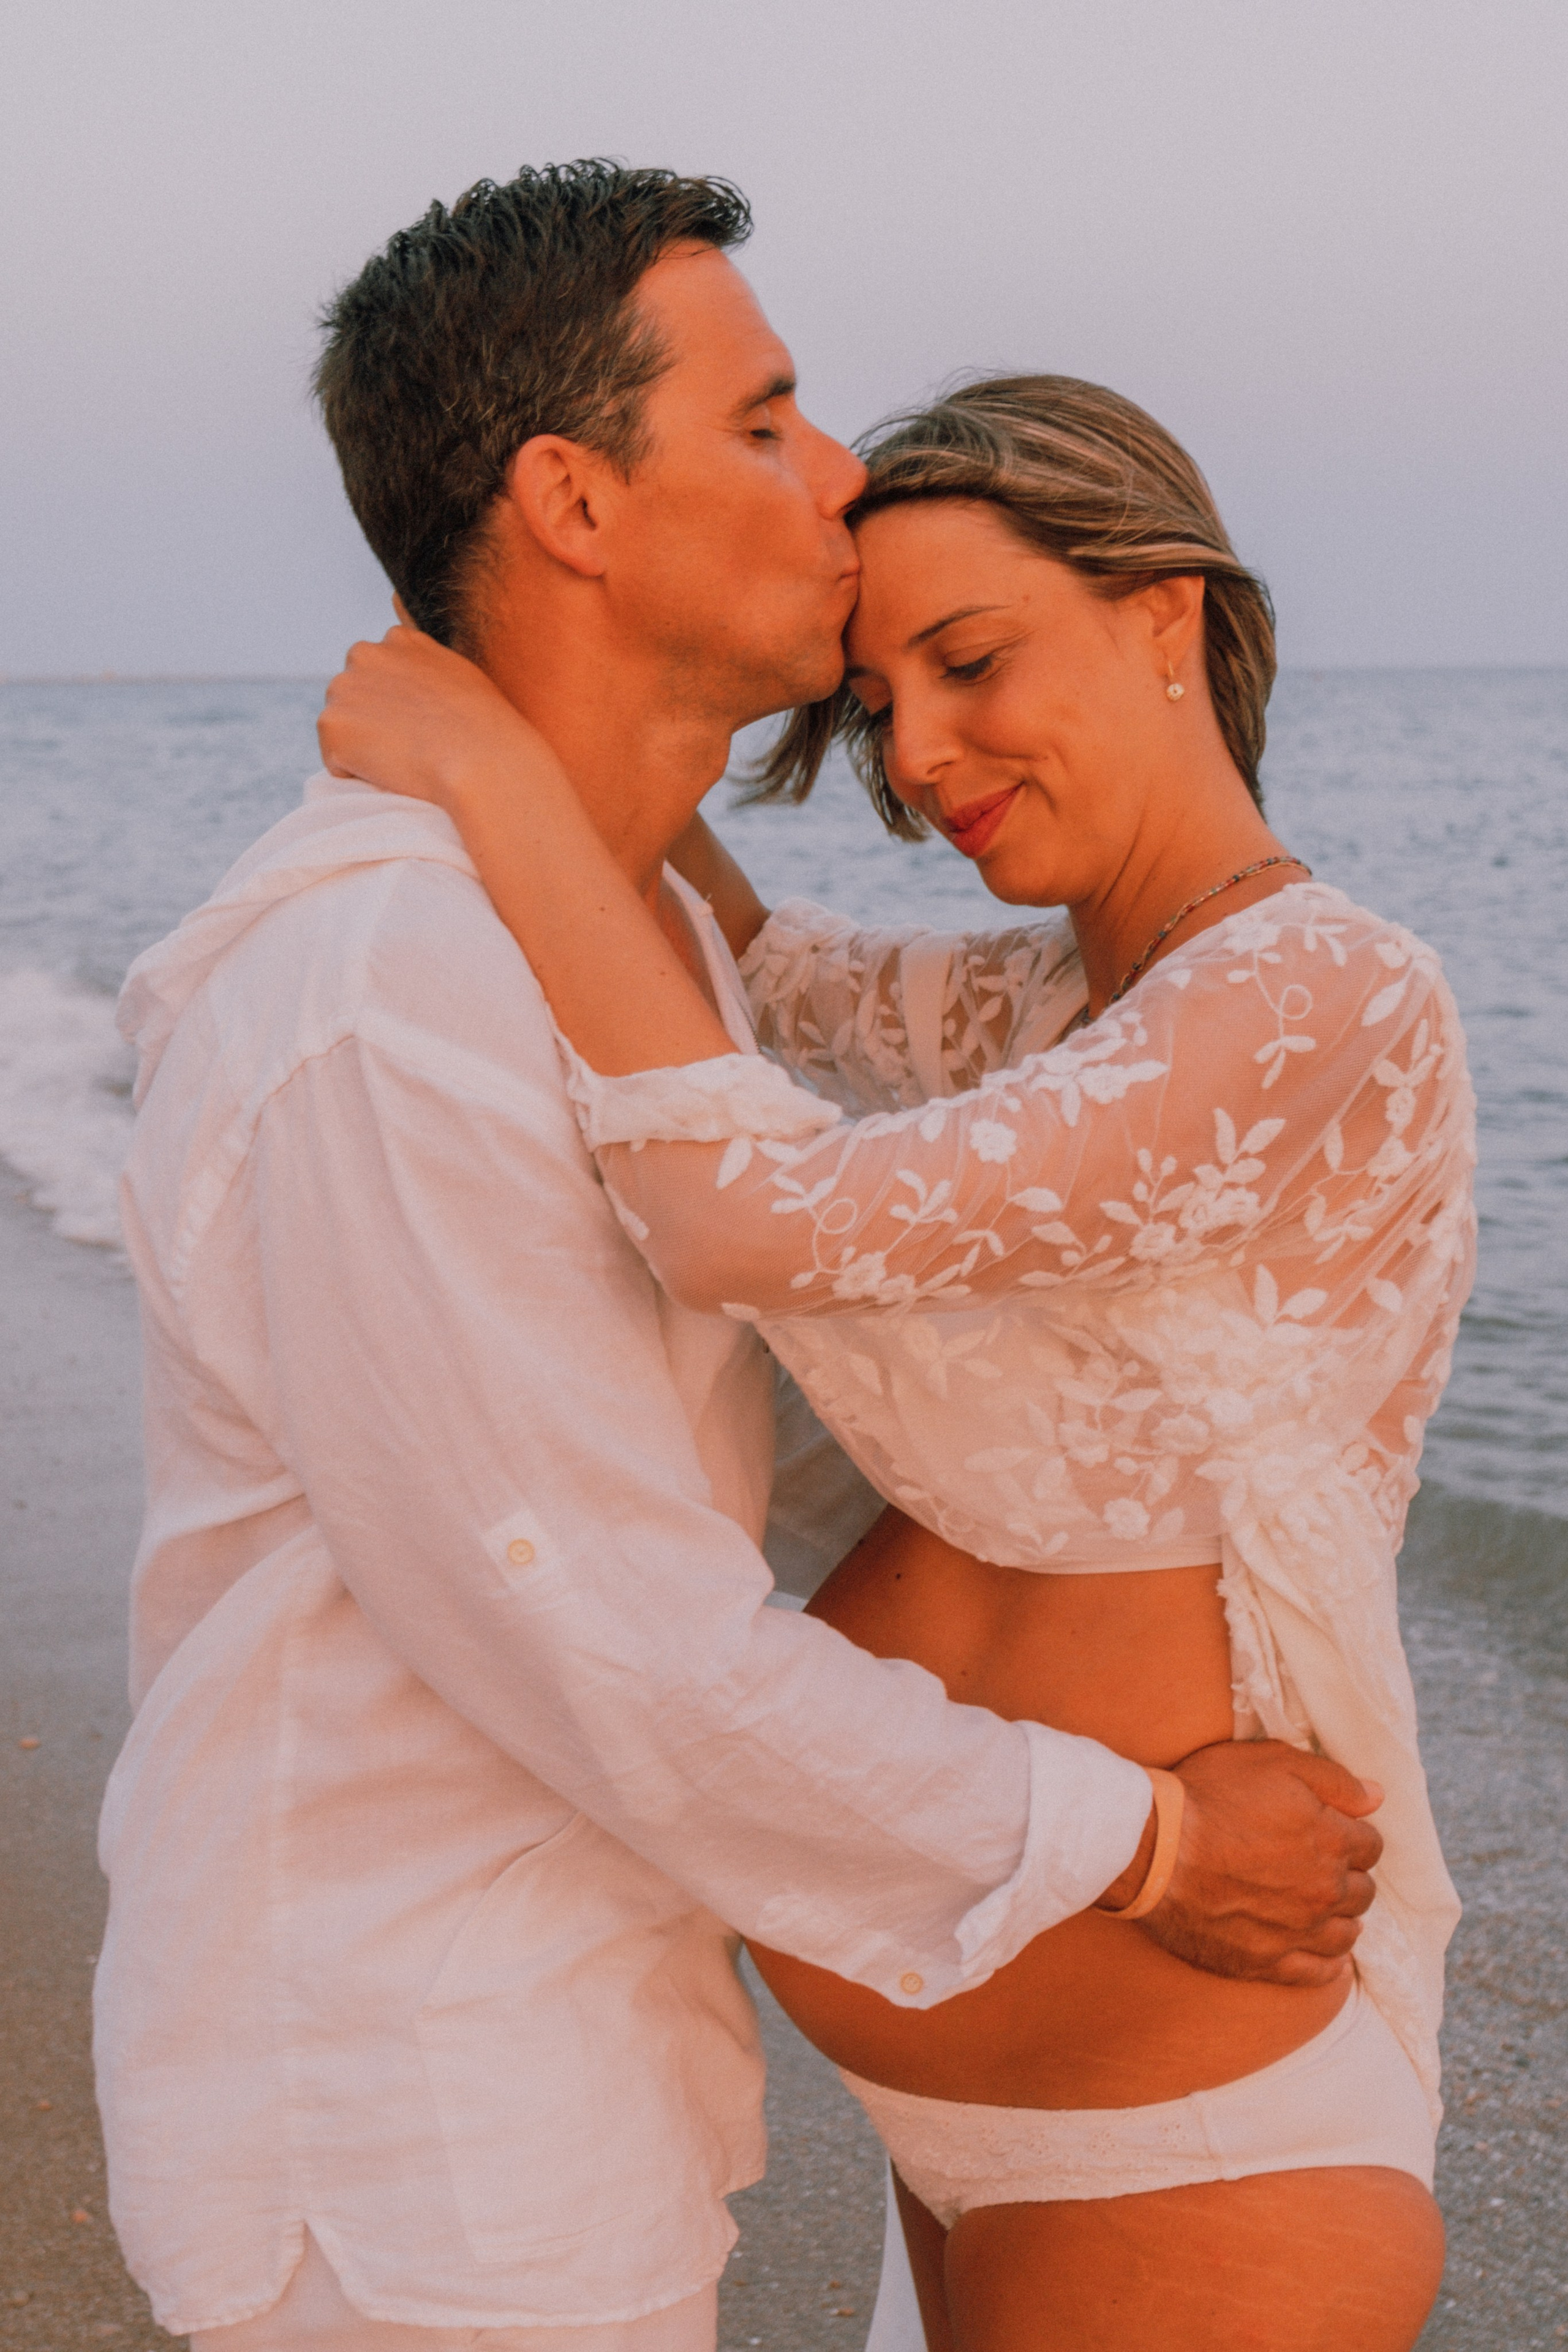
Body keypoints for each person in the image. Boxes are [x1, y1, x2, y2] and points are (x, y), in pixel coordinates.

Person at [97, 164, 1387, 2352]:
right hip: (414, 2134)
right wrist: (1148, 1846)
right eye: (768, 417)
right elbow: (617, 1645)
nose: (841, 473)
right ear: (573, 502)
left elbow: (761, 1411)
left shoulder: (636, 948)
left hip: (572, 2076)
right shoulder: (386, 995)